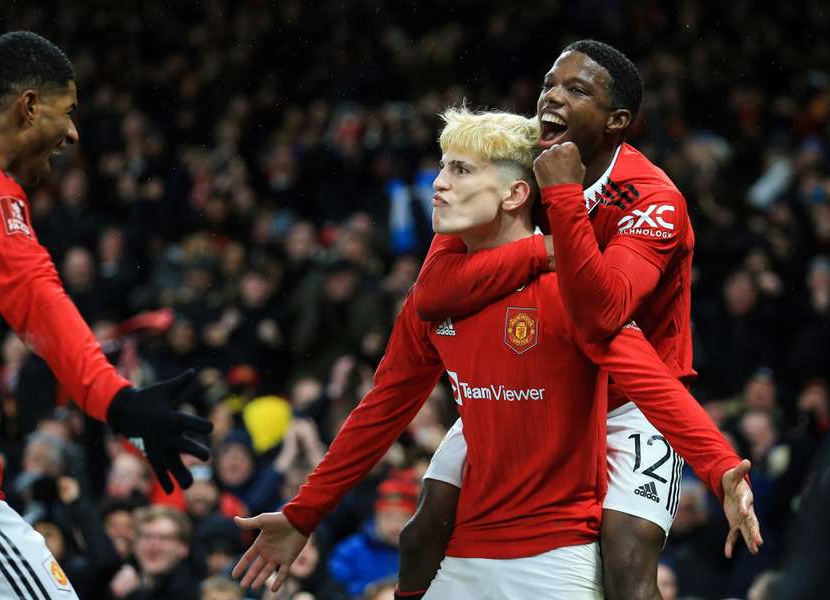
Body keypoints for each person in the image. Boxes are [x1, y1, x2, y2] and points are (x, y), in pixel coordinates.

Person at [232, 108, 761, 598]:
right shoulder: (433, 293)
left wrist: (719, 470)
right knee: (419, 535)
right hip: (464, 558)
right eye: (442, 168)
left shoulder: (570, 289)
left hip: (553, 561)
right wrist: (304, 514)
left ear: (512, 195)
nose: (438, 184)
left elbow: (654, 385)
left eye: (461, 171)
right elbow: (381, 410)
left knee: (631, 560)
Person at [399, 39, 713, 600]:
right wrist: (539, 252)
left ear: (617, 120)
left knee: (626, 562)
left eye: (577, 90)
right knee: (423, 530)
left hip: (630, 396)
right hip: (540, 381)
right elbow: (433, 291)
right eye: (549, 84)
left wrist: (563, 196)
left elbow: (603, 313)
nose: (553, 97)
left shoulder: (653, 198)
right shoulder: (519, 164)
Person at [0, 31, 212, 599]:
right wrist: (118, 399)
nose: (75, 132)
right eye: (68, 112)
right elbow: (36, 297)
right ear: (28, 106)